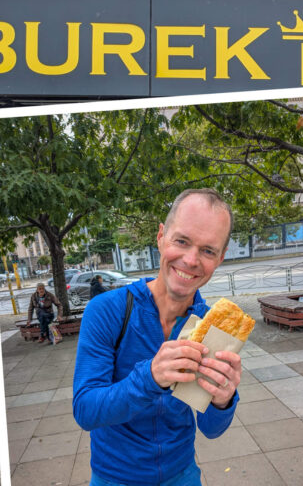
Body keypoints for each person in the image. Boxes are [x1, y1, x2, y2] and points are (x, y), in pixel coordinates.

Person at [73, 189, 242, 486]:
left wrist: (223, 400)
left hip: (183, 474)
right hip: (115, 478)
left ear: (220, 258)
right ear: (161, 237)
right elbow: (86, 410)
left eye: (207, 250)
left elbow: (212, 429)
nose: (191, 260)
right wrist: (149, 377)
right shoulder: (108, 311)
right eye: (182, 241)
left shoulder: (208, 324)